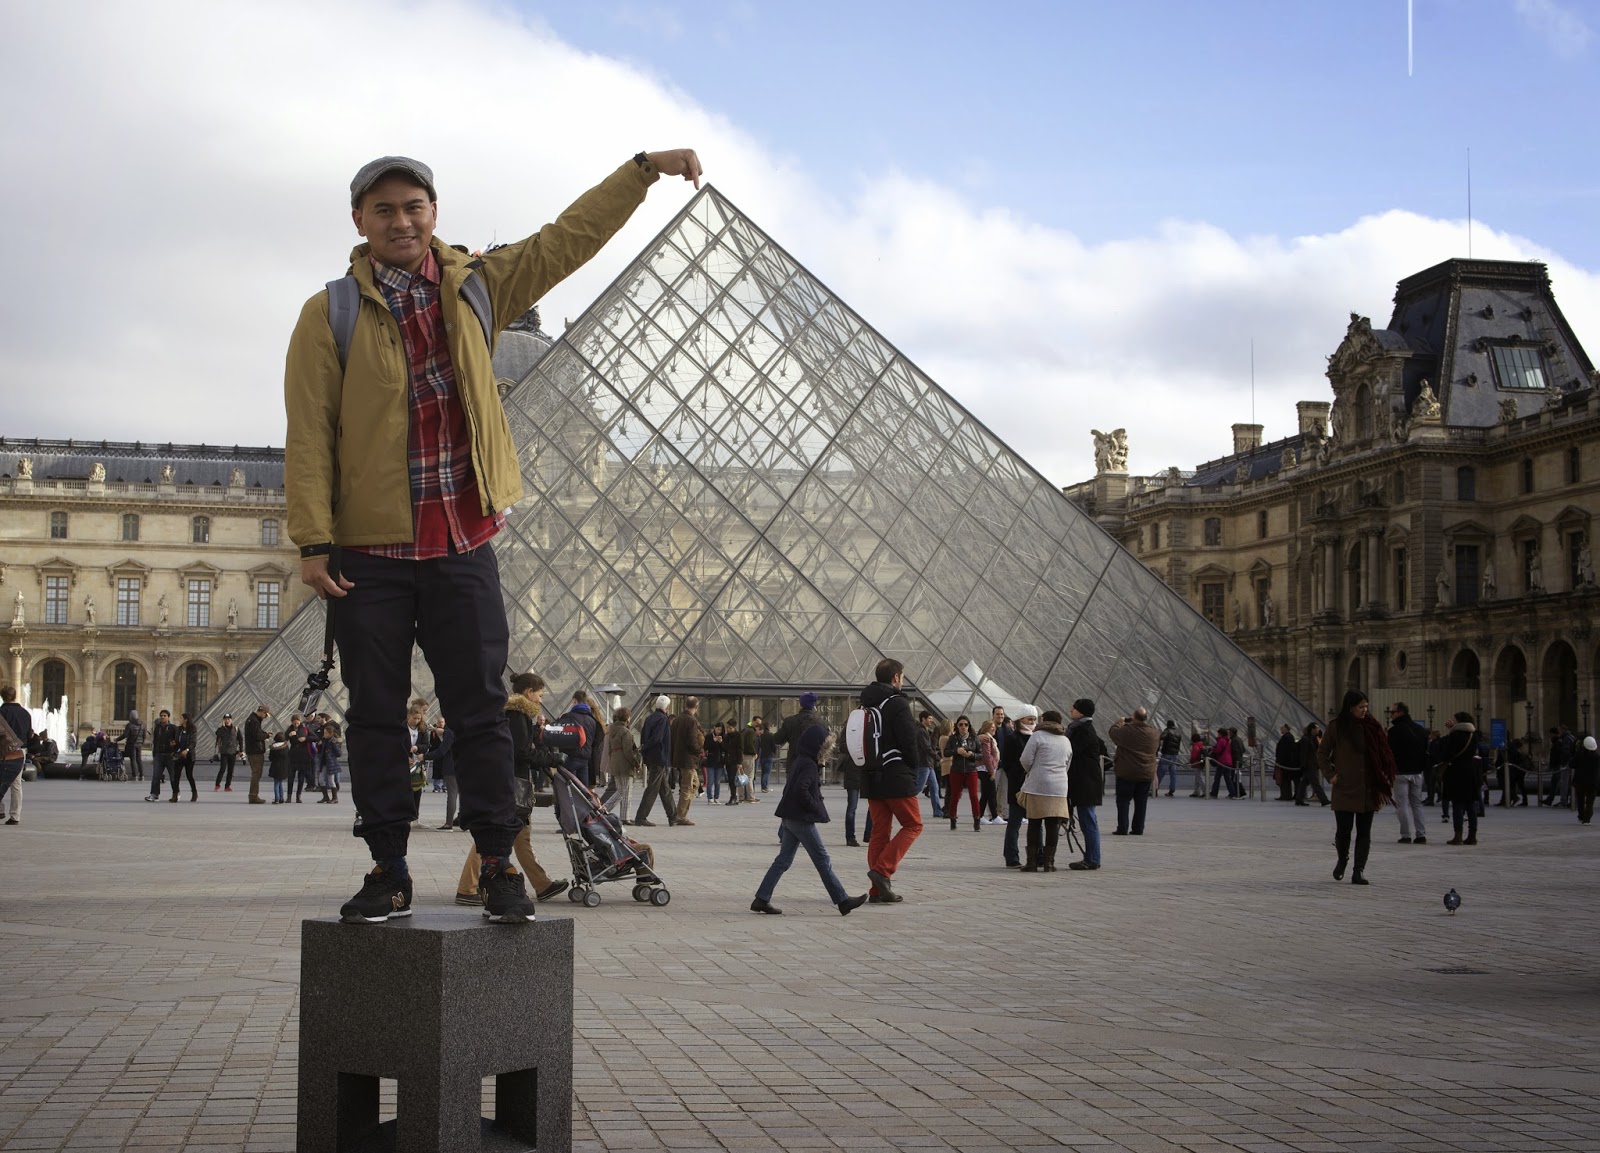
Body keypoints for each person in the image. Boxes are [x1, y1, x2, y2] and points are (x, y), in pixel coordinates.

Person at [286, 147, 703, 925]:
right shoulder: (329, 313)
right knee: (374, 717)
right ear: (360, 221)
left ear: (433, 213)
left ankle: (500, 866)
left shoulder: (479, 285)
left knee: (482, 714)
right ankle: (387, 868)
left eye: (413, 206)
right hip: (370, 551)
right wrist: (313, 541)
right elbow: (308, 430)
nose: (401, 220)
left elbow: (568, 239)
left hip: (460, 539)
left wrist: (642, 170)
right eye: (384, 209)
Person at [456, 672, 569, 907]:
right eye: (539, 694)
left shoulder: (513, 713)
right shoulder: (517, 715)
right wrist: (550, 759)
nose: (541, 700)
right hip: (512, 784)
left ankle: (542, 884)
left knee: (520, 836)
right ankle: (467, 888)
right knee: (493, 835)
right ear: (529, 692)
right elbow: (521, 752)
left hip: (511, 782)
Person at [750, 725, 869, 916]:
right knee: (822, 859)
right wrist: (816, 807)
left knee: (783, 861)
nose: (827, 752)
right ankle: (842, 900)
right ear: (817, 747)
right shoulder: (808, 765)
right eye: (825, 748)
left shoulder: (801, 760)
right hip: (800, 819)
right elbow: (801, 790)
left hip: (790, 817)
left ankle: (761, 898)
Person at [859, 658, 924, 903]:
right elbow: (909, 741)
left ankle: (877, 891)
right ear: (896, 677)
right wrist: (913, 767)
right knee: (913, 825)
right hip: (896, 775)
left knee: (879, 831)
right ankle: (882, 871)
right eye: (902, 677)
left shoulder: (865, 703)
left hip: (871, 775)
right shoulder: (897, 703)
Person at [1317, 690, 1397, 884]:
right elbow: (1322, 753)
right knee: (1343, 831)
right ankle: (1342, 858)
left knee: (1364, 833)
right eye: (1361, 707)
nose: (1365, 710)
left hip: (1368, 787)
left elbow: (1383, 753)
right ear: (1350, 708)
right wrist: (1330, 774)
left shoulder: (1373, 727)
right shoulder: (1337, 727)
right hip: (1345, 786)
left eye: (1366, 706)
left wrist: (1382, 775)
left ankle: (1359, 870)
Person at [1018, 709, 1072, 871]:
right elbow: (1067, 763)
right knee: (1053, 825)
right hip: (1059, 787)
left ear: (1044, 720)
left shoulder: (1037, 736)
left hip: (1038, 785)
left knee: (1034, 824)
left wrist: (1033, 771)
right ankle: (1049, 863)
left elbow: (1025, 759)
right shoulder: (1065, 740)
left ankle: (1032, 863)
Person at [1065, 699, 1106, 871]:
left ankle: (1092, 859)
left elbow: (1071, 752)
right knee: (1088, 821)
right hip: (1087, 782)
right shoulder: (1085, 729)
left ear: (1081, 711)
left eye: (1074, 708)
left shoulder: (1082, 730)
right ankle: (1092, 857)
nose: (1071, 710)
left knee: (1088, 822)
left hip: (1085, 783)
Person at [1109, 707, 1159, 836]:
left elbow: (1113, 733)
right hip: (1146, 773)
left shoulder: (1127, 730)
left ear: (1134, 717)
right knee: (1141, 801)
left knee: (1123, 801)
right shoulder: (1153, 732)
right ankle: (1138, 828)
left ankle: (1122, 827)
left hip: (1127, 772)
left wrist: (1119, 722)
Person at [1385, 702, 1428, 845]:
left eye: (1392, 712)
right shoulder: (1420, 730)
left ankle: (1405, 835)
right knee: (1417, 804)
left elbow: (1389, 753)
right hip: (1417, 772)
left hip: (1400, 772)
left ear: (1400, 712)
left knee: (1402, 804)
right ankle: (1421, 835)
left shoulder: (1394, 731)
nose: (1391, 715)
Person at [999, 707, 1036, 867]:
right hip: (1018, 787)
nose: (1032, 722)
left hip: (1034, 786)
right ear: (1020, 720)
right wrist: (1021, 775)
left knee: (1036, 823)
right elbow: (1007, 764)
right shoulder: (1012, 738)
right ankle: (1011, 856)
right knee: (1014, 823)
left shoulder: (1037, 737)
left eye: (1034, 719)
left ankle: (1038, 855)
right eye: (1029, 719)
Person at [1437, 713, 1482, 846]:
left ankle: (1458, 836)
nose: (1453, 721)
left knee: (1457, 804)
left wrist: (1451, 731)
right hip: (1470, 771)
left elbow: (1446, 753)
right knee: (1470, 805)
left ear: (1460, 721)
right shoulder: (1474, 735)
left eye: (1455, 719)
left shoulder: (1454, 735)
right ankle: (1472, 836)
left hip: (1456, 771)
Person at [634, 696, 675, 827]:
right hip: (659, 757)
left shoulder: (650, 718)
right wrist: (646, 748)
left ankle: (673, 816)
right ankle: (641, 817)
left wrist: (645, 752)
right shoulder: (663, 719)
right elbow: (657, 738)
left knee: (664, 788)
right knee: (652, 788)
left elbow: (643, 737)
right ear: (667, 707)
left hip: (652, 757)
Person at [599, 706, 641, 822]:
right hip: (624, 764)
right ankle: (614, 813)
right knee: (625, 791)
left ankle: (615, 813)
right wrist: (636, 763)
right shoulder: (625, 732)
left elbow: (609, 750)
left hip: (615, 763)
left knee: (621, 790)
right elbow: (628, 751)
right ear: (627, 717)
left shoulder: (612, 730)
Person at [557, 690, 603, 790]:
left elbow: (559, 737)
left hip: (569, 757)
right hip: (585, 759)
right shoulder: (592, 721)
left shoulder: (567, 717)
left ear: (574, 701)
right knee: (583, 790)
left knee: (570, 789)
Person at [670, 696, 705, 826]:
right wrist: (700, 751)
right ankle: (681, 816)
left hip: (679, 757)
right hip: (688, 758)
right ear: (696, 707)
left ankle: (682, 813)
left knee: (694, 784)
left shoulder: (677, 719)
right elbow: (692, 742)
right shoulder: (691, 721)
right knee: (687, 787)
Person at [943, 715, 982, 830]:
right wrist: (956, 751)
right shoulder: (953, 738)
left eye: (966, 724)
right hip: (957, 770)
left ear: (969, 726)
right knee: (955, 795)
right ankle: (953, 819)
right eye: (961, 725)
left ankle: (977, 820)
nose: (963, 727)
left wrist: (971, 755)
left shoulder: (974, 738)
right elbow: (946, 752)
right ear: (957, 726)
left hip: (971, 770)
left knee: (974, 796)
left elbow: (980, 754)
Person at [0, 686, 32, 825]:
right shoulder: (25, 713)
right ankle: (15, 815)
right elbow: (29, 734)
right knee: (16, 784)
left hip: (3, 750)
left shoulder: (2, 712)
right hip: (20, 751)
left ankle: (0, 809)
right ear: (15, 696)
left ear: (2, 697)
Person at [425, 718, 457, 826]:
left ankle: (449, 824)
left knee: (452, 795)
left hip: (451, 767)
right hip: (464, 766)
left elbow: (441, 751)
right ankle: (463, 819)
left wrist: (425, 756)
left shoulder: (450, 732)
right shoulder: (466, 728)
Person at [914, 711, 944, 819]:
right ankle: (903, 801)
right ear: (923, 719)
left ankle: (937, 811)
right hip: (924, 763)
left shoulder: (924, 730)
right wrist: (938, 758)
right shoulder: (921, 731)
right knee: (918, 787)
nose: (932, 721)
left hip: (928, 764)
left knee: (934, 787)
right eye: (930, 718)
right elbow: (927, 748)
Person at [1296, 722, 1330, 806]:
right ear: (1312, 729)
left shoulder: (1313, 738)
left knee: (1304, 783)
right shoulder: (1306, 739)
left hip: (1312, 764)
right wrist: (1303, 765)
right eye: (1317, 728)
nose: (1318, 729)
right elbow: (1303, 753)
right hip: (1309, 765)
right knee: (1315, 783)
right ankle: (1324, 800)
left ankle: (1299, 799)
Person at [147, 709, 177, 801]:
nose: (162, 717)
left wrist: (174, 748)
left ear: (168, 717)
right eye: (161, 716)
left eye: (164, 716)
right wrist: (154, 755)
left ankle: (176, 793)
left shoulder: (173, 728)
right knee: (156, 776)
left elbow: (177, 741)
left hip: (170, 755)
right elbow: (155, 742)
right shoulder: (157, 728)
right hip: (159, 755)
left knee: (173, 776)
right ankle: (154, 794)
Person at [243, 704, 270, 804]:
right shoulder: (254, 721)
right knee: (256, 773)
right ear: (262, 712)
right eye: (265, 715)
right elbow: (257, 736)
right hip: (255, 751)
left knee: (256, 773)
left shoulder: (252, 720)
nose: (265, 717)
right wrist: (266, 735)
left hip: (253, 750)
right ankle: (253, 796)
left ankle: (253, 795)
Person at [170, 712, 199, 802]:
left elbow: (193, 742)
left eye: (181, 718)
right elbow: (177, 741)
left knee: (189, 775)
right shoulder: (179, 729)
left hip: (189, 755)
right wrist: (174, 744)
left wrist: (187, 750)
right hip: (179, 755)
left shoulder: (193, 729)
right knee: (176, 776)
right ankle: (175, 795)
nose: (180, 719)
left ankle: (194, 793)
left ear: (186, 720)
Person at [288, 713, 316, 804]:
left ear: (300, 722)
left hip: (303, 756)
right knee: (291, 777)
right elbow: (283, 737)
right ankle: (289, 796)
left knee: (301, 777)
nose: (296, 725)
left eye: (297, 723)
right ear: (292, 722)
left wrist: (305, 738)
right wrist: (289, 735)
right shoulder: (289, 729)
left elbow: (315, 737)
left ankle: (298, 796)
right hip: (293, 755)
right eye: (294, 723)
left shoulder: (304, 729)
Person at [1572, 735, 1598, 825]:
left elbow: (1571, 764)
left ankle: (1581, 816)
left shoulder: (1579, 754)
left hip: (1580, 781)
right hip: (1592, 782)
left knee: (1580, 800)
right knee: (1590, 801)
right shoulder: (1597, 756)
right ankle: (1587, 819)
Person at [318, 721, 345, 804]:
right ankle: (325, 797)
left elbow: (339, 753)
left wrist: (333, 750)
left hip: (331, 763)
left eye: (326, 733)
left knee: (331, 781)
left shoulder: (333, 741)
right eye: (324, 733)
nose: (324, 734)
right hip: (324, 763)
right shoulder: (324, 740)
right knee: (321, 780)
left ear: (331, 734)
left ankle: (335, 798)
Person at [214, 713, 241, 792]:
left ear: (231, 720)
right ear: (223, 720)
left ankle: (227, 786)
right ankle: (217, 785)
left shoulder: (236, 729)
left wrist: (241, 750)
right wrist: (222, 727)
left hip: (233, 752)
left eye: (229, 719)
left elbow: (240, 739)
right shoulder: (221, 729)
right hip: (224, 753)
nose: (227, 721)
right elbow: (217, 734)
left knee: (230, 770)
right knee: (222, 769)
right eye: (225, 719)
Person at [1273, 722, 1299, 801]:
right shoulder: (1288, 736)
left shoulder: (1287, 737)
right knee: (1285, 779)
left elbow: (1284, 751)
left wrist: (1279, 761)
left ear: (1286, 729)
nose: (1280, 729)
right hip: (1286, 762)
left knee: (1284, 780)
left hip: (1284, 763)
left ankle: (1285, 795)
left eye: (1282, 728)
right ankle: (1286, 795)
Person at [1157, 719, 1183, 798]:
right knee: (1173, 774)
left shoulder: (1167, 731)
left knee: (1160, 773)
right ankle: (1172, 790)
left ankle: (1155, 789)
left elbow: (1161, 737)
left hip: (1167, 754)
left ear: (1168, 725)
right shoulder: (1178, 733)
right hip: (1175, 755)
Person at [755, 714, 779, 796]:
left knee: (763, 771)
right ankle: (765, 787)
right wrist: (774, 752)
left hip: (761, 755)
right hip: (769, 755)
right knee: (767, 772)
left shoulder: (760, 735)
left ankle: (763, 786)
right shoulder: (770, 735)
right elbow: (773, 745)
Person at [705, 722, 728, 804]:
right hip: (711, 760)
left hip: (720, 761)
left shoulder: (724, 736)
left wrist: (721, 742)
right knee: (710, 781)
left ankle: (716, 797)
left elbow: (725, 749)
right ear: (714, 728)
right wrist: (713, 741)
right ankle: (710, 797)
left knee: (717, 782)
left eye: (720, 730)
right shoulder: (709, 736)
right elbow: (705, 747)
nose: (719, 731)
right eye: (718, 729)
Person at [121, 709, 146, 782]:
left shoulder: (130, 725)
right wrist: (142, 743)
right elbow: (144, 735)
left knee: (133, 759)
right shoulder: (142, 724)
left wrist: (117, 739)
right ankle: (142, 775)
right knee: (139, 759)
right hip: (139, 744)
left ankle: (135, 775)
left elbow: (125, 735)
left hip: (132, 744)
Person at [268, 730, 291, 804]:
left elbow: (271, 758)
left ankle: (277, 798)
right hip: (283, 767)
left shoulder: (273, 747)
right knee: (280, 783)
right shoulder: (286, 747)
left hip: (275, 767)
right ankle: (281, 798)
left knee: (276, 783)